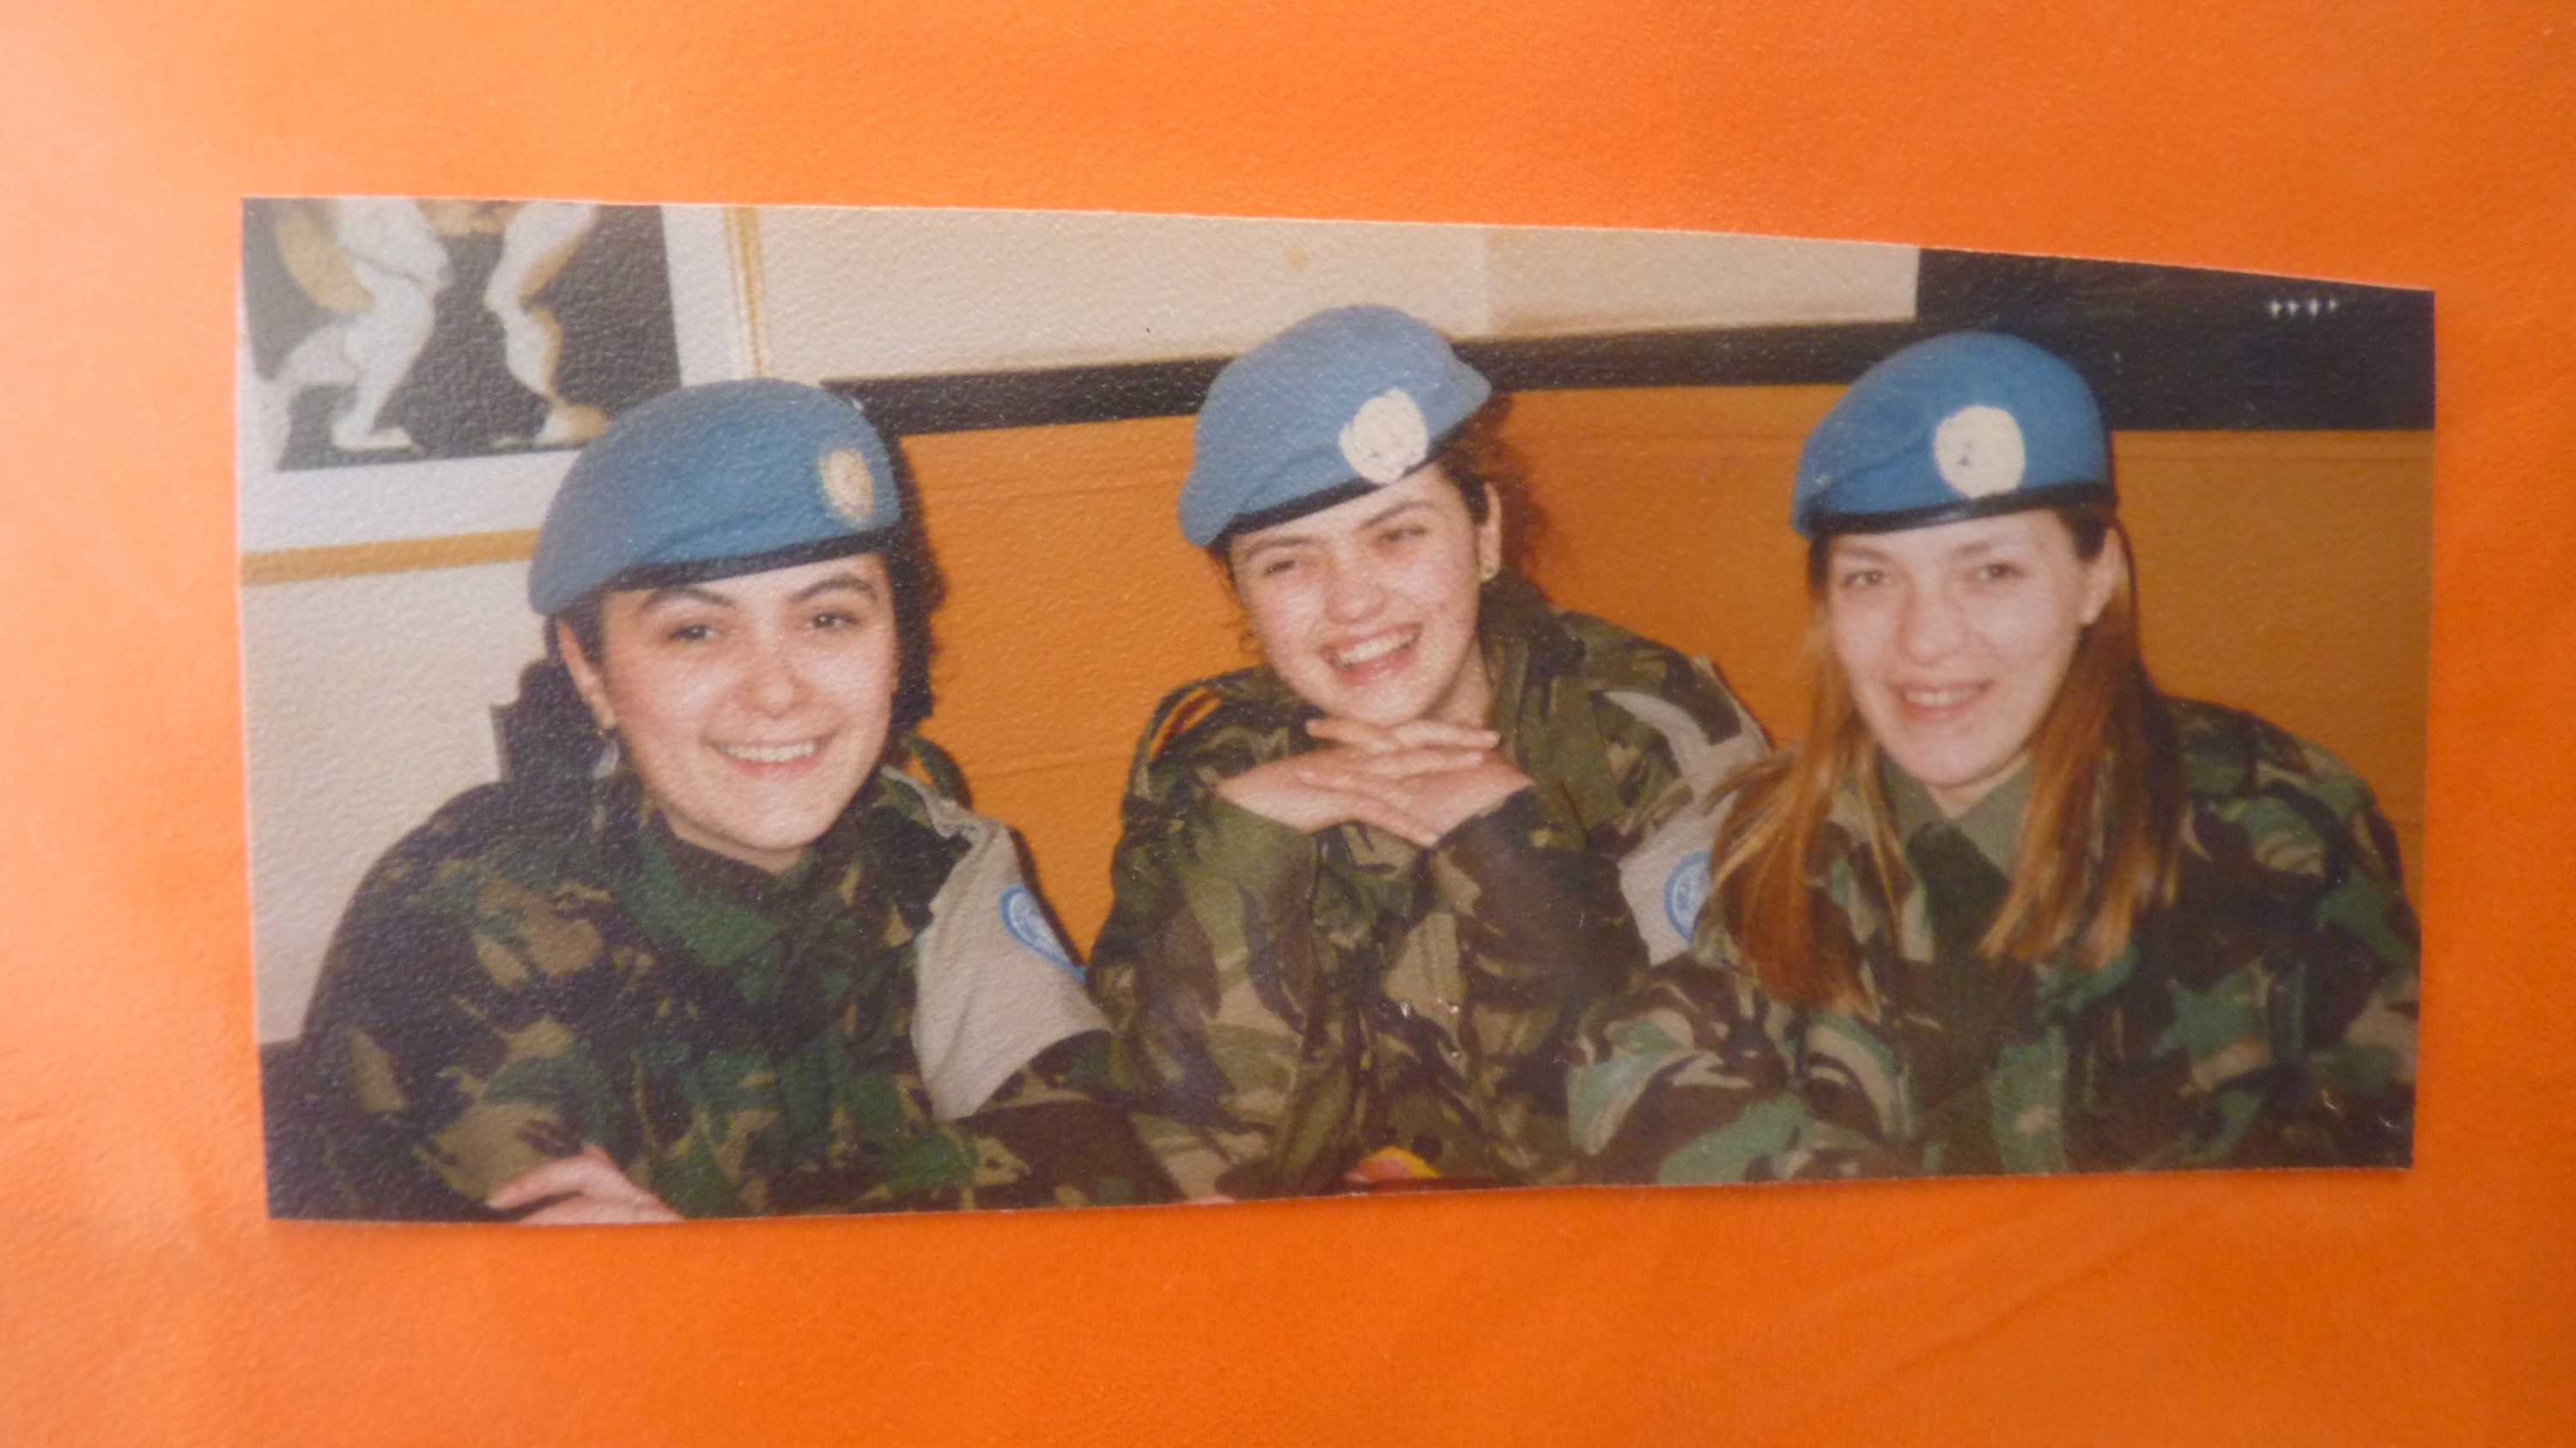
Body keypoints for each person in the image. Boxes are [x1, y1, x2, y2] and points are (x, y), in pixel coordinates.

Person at [288, 380, 1171, 1220]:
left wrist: (717, 1226)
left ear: (897, 641)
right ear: (589, 668)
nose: (777, 692)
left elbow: (1091, 1159)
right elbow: (587, 1314)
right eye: (696, 632)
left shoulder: (931, 856)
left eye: (828, 618)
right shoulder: (466, 914)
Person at [1570, 332, 2419, 1183]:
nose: (1928, 640)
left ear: (2097, 578)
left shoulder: (2278, 823)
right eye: (1872, 577)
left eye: (1991, 573)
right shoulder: (1791, 833)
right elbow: (1634, 1069)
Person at [1087, 306, 1767, 1200]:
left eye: (1398, 533)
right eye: (1289, 563)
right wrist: (1249, 851)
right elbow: (1190, 1168)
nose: (1352, 603)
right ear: (1243, 594)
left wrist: (1511, 854)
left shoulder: (1643, 734)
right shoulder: (1212, 767)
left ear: (1484, 533)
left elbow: (1662, 1150)